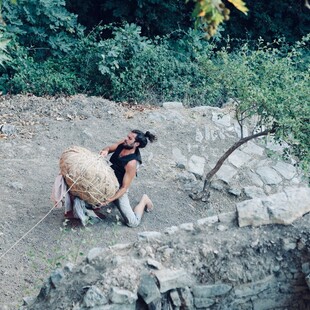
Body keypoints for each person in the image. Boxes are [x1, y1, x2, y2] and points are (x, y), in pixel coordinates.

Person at [99, 129, 157, 227]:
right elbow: (109, 148)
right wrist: (105, 151)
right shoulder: (124, 143)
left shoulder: (131, 163)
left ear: (136, 144)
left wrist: (108, 200)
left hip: (119, 187)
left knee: (132, 223)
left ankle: (144, 200)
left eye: (129, 138)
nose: (125, 139)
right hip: (109, 178)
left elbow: (124, 188)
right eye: (127, 136)